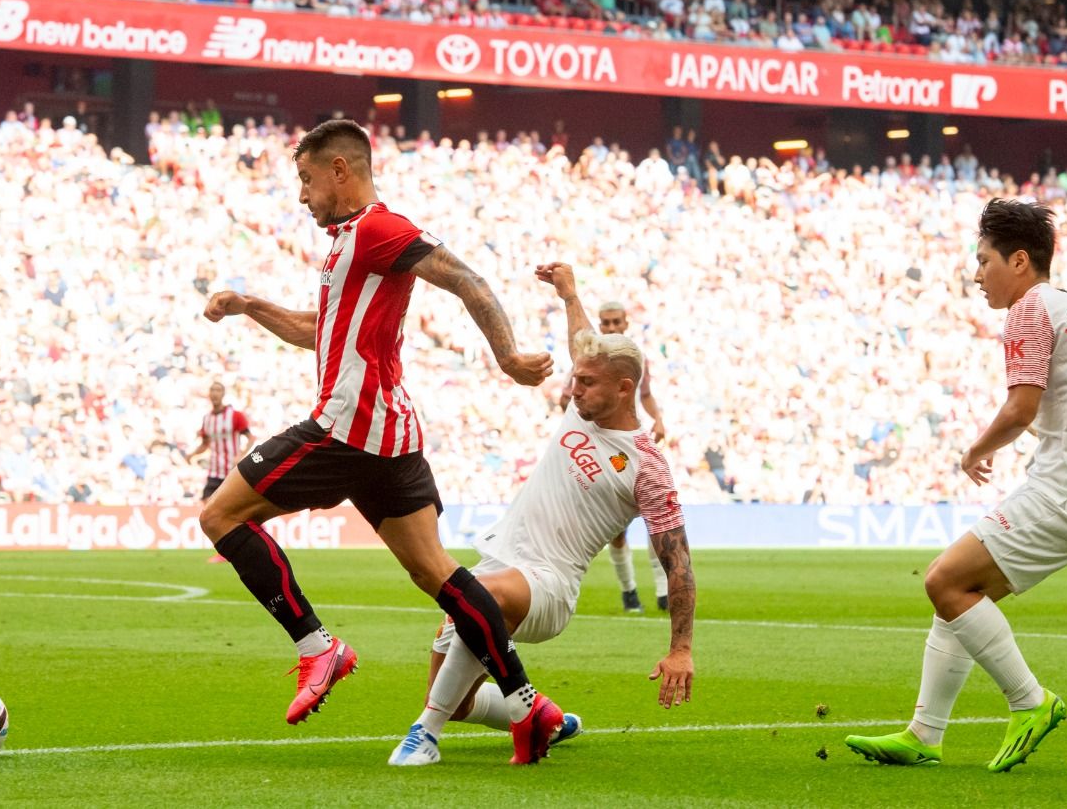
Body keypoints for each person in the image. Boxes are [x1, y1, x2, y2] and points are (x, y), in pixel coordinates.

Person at [199, 119, 567, 764]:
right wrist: (248, 305)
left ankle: (318, 648)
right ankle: (525, 702)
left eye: (307, 179)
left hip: (347, 427)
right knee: (438, 572)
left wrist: (507, 355)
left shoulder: (377, 228)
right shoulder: (349, 245)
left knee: (220, 514)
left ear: (341, 170)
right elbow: (316, 329)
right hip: (390, 435)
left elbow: (465, 279)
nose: (302, 195)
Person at [845, 199, 1067, 772]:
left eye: (984, 260)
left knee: (944, 580)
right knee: (959, 601)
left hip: (1064, 488)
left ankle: (1031, 701)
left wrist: (975, 448)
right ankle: (925, 732)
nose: (976, 274)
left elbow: (1021, 409)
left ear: (1019, 260)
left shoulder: (1027, 310)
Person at [388, 262, 695, 766]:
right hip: (501, 564)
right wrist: (569, 293)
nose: (573, 391)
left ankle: (425, 735)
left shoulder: (647, 466)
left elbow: (678, 561)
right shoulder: (585, 402)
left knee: (475, 599)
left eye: (587, 383)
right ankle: (546, 716)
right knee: (460, 700)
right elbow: (582, 344)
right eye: (576, 380)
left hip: (549, 586)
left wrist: (680, 648)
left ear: (624, 389)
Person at [561, 299, 670, 614]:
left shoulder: (636, 360)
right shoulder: (588, 361)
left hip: (632, 443)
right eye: (604, 323)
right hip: (601, 449)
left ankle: (663, 592)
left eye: (614, 323)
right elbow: (566, 400)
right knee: (617, 528)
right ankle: (629, 592)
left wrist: (658, 419)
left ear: (625, 323)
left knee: (655, 516)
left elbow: (645, 395)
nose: (609, 328)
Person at [188, 380, 251, 500]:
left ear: (223, 394)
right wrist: (192, 454)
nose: (215, 393)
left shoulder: (235, 415)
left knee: (232, 504)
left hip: (231, 470)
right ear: (209, 394)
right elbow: (205, 444)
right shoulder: (207, 419)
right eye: (212, 390)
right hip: (214, 471)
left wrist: (241, 455)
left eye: (218, 390)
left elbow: (250, 438)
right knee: (207, 503)